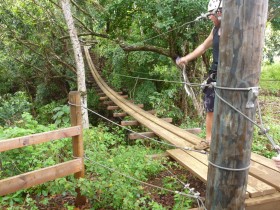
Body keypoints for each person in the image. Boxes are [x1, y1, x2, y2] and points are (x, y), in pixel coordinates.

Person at [176, 0, 223, 150]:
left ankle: (225, 140)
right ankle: (209, 140)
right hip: (216, 73)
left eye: (211, 15)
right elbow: (203, 46)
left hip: (231, 75)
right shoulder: (215, 30)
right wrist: (186, 58)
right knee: (210, 106)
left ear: (220, 12)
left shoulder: (233, 28)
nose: (210, 17)